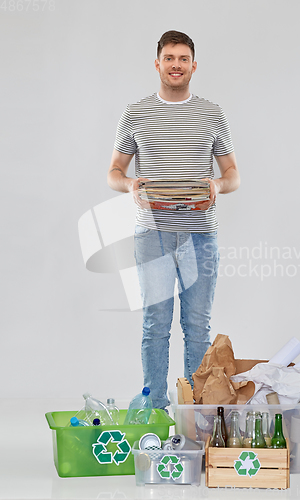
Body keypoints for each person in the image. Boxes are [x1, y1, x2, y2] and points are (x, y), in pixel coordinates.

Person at [107, 30, 240, 409]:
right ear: (158, 64)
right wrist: (129, 182)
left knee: (197, 326)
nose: (176, 65)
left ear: (193, 65)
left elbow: (233, 174)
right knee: (155, 324)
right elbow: (113, 171)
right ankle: (155, 405)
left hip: (201, 234)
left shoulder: (212, 113)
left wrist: (218, 184)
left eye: (183, 59)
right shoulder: (135, 113)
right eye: (169, 58)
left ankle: (195, 406)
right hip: (153, 232)